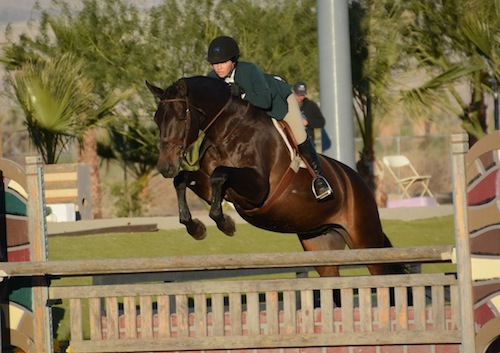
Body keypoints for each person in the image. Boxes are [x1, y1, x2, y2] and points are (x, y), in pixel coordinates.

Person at [206, 35, 332, 200]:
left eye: (222, 62)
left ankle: (319, 179)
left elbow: (265, 101)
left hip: (279, 100)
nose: (218, 67)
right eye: (215, 63)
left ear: (234, 61)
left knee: (300, 135)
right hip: (252, 113)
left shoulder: (250, 70)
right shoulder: (212, 79)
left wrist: (243, 94)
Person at [293, 81, 331, 151]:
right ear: (294, 93)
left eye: (302, 95)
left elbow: (321, 122)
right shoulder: (289, 105)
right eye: (298, 95)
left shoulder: (311, 105)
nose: (300, 98)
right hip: (292, 143)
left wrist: (308, 123)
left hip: (308, 143)